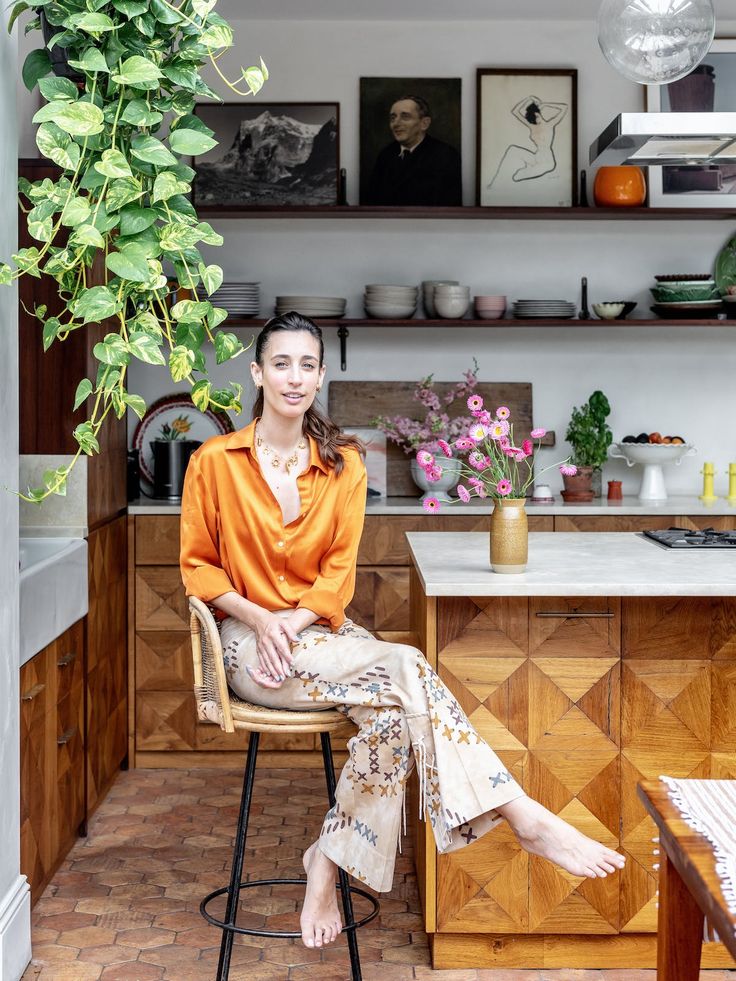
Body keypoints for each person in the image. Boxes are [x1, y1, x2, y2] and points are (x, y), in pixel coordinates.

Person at [179, 311, 625, 951]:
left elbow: (338, 575)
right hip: (248, 647)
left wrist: (296, 619)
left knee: (393, 712)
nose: (295, 377)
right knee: (407, 665)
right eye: (281, 363)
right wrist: (261, 619)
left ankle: (325, 862)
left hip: (321, 637)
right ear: (257, 373)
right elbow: (198, 568)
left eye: (308, 364)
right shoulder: (213, 462)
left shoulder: (346, 465)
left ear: (322, 374)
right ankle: (519, 813)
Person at [364, 95, 462, 206]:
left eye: (405, 117)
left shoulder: (446, 155)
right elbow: (372, 202)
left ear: (424, 123)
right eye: (393, 118)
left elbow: (448, 206)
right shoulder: (385, 155)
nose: (396, 124)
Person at [488, 94, 568, 189]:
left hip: (547, 162)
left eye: (537, 116)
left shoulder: (550, 124)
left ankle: (527, 170)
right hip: (537, 157)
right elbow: (515, 111)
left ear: (539, 113)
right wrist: (529, 98)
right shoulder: (532, 126)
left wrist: (545, 104)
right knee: (512, 149)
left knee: (517, 177)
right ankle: (494, 183)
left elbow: (564, 107)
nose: (537, 119)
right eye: (534, 118)